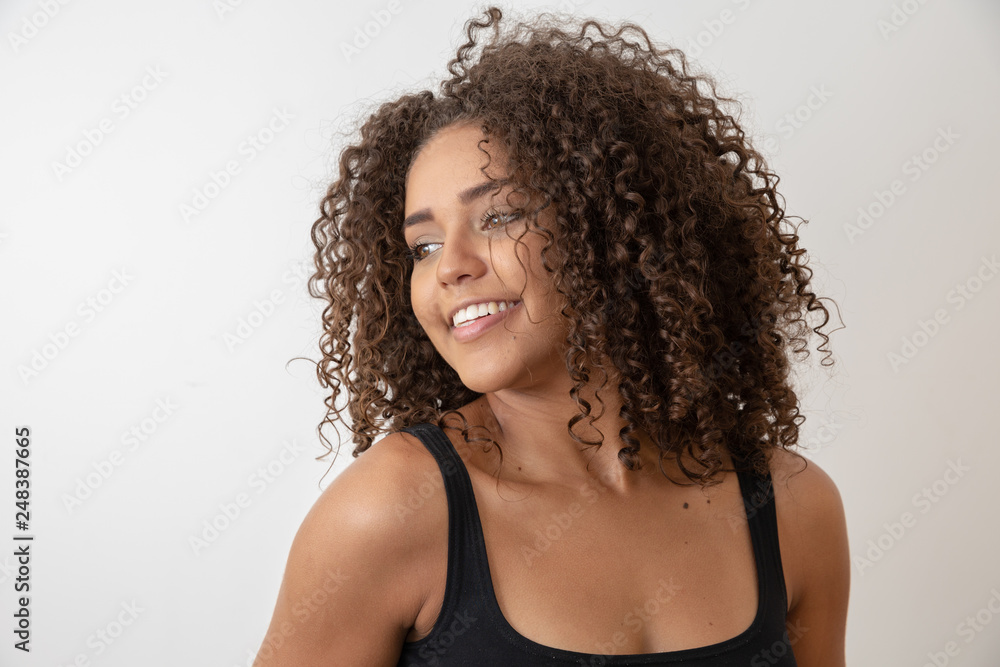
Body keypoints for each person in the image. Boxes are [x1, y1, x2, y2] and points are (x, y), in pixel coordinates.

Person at [253, 6, 850, 666]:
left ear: (611, 228)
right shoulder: (390, 512)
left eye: (498, 216)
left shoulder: (791, 506)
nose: (450, 266)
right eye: (423, 245)